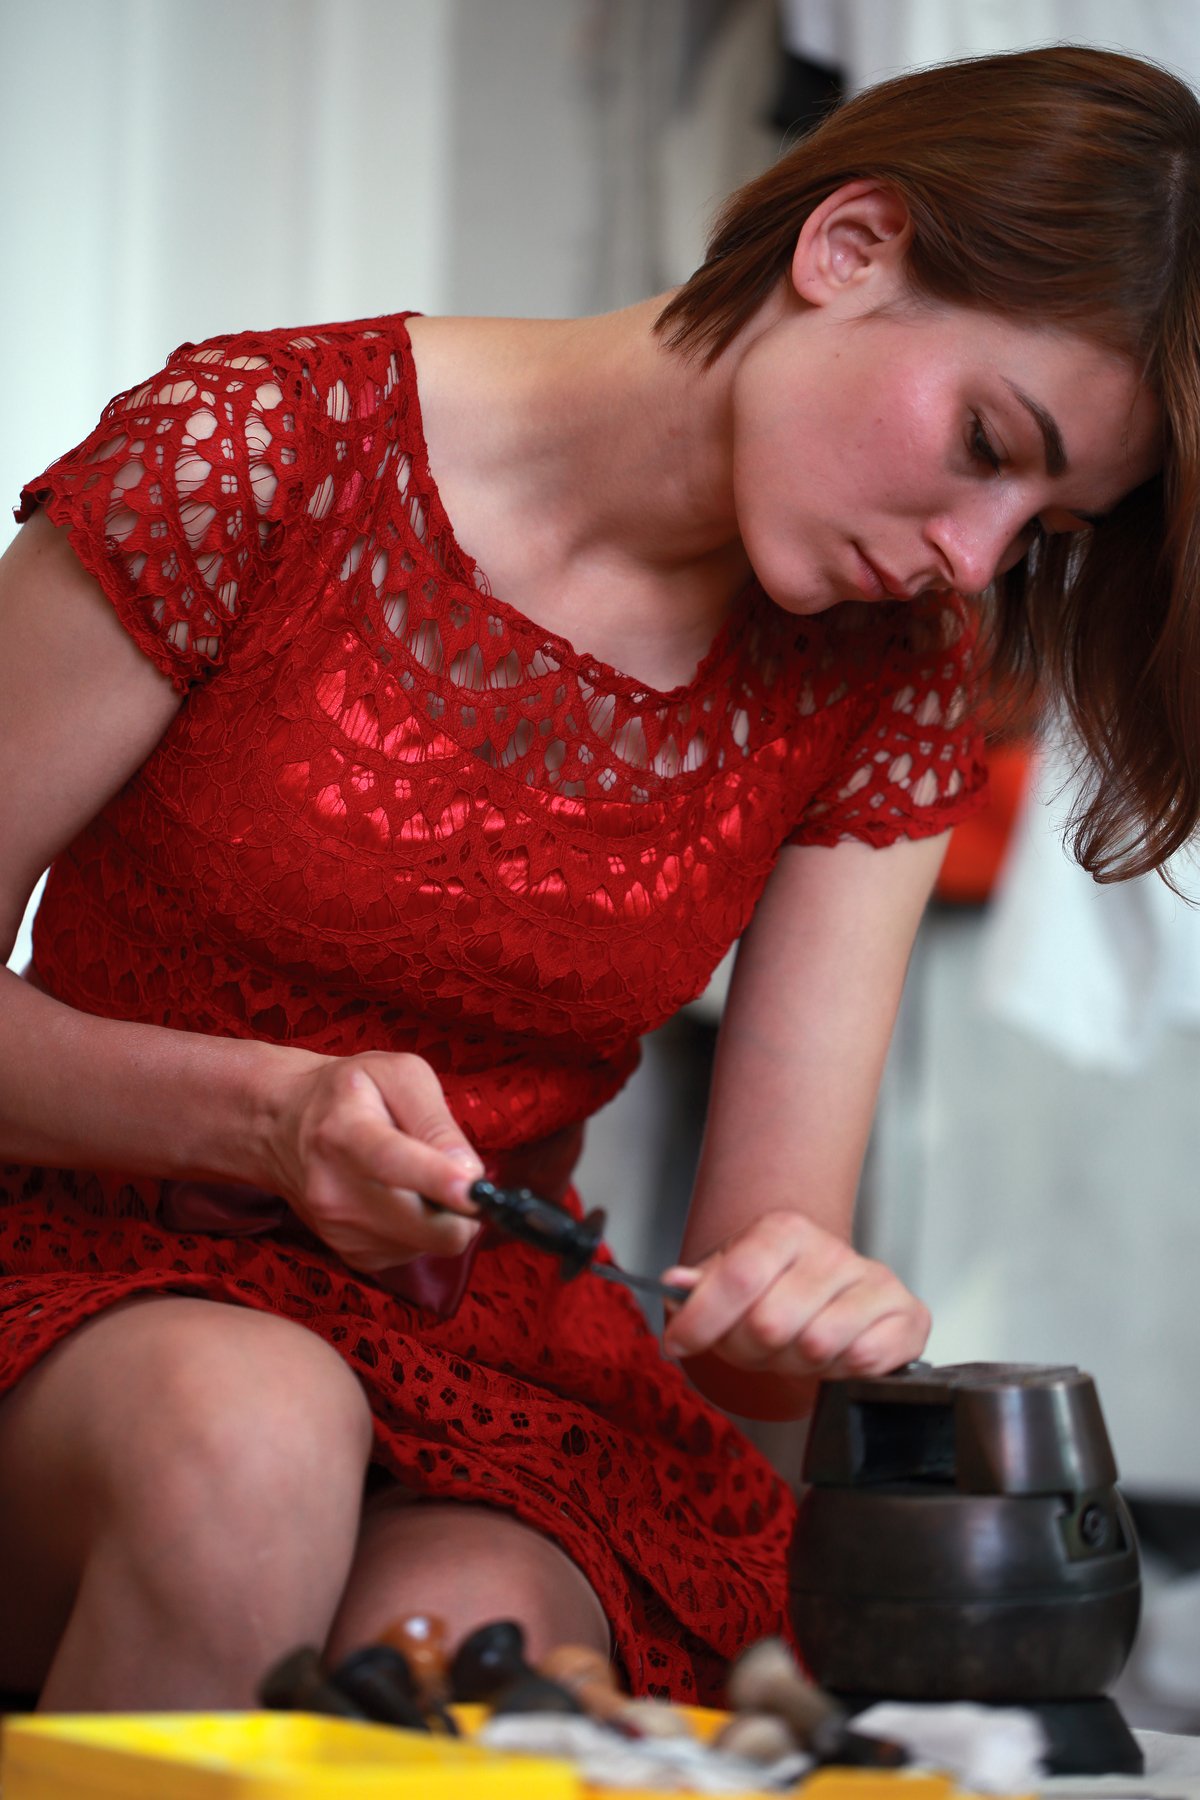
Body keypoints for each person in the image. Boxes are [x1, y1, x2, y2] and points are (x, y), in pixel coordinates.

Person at [0, 42, 1189, 1713]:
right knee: (247, 1442)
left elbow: (750, 1320)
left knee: (469, 1649)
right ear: (849, 247)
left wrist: (811, 1303)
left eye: (1044, 532)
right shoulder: (258, 451)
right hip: (60, 1251)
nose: (972, 558)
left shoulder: (891, 664)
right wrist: (263, 1118)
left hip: (478, 1347)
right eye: (989, 441)